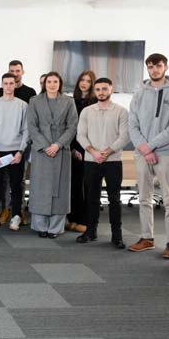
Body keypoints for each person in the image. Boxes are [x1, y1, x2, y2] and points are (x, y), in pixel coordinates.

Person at [127, 53, 169, 258]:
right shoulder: (138, 94)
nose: (154, 70)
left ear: (166, 67)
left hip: (166, 154)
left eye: (158, 66)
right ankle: (147, 238)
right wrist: (144, 149)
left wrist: (150, 147)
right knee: (144, 198)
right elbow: (132, 124)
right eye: (150, 67)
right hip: (142, 154)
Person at [75, 78, 129, 248]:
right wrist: (94, 152)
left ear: (111, 90)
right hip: (91, 161)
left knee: (114, 199)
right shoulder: (86, 112)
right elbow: (80, 135)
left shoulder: (121, 111)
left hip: (113, 161)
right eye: (98, 89)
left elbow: (124, 137)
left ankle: (117, 236)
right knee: (91, 198)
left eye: (104, 89)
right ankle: (91, 231)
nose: (101, 92)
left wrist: (107, 152)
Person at [27, 72, 78, 238]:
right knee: (40, 188)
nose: (52, 84)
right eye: (49, 81)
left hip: (61, 150)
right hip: (41, 151)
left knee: (60, 189)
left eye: (55, 81)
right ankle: (40, 226)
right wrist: (45, 146)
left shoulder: (69, 101)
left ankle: (55, 228)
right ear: (44, 83)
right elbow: (32, 126)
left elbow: (72, 126)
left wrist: (57, 145)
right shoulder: (34, 101)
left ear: (60, 84)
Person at [0, 73, 29, 231]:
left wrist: (20, 151)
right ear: (2, 85)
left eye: (11, 83)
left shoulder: (23, 105)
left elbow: (26, 130)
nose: (9, 86)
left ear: (15, 85)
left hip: (16, 151)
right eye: (6, 83)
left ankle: (16, 215)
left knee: (16, 186)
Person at [68, 70, 96, 235]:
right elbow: (71, 128)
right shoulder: (72, 101)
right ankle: (73, 218)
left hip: (87, 150)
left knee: (87, 187)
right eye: (82, 80)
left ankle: (84, 221)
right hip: (72, 150)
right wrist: (72, 148)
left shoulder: (94, 103)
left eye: (88, 81)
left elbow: (91, 130)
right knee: (74, 186)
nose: (84, 83)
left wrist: (81, 148)